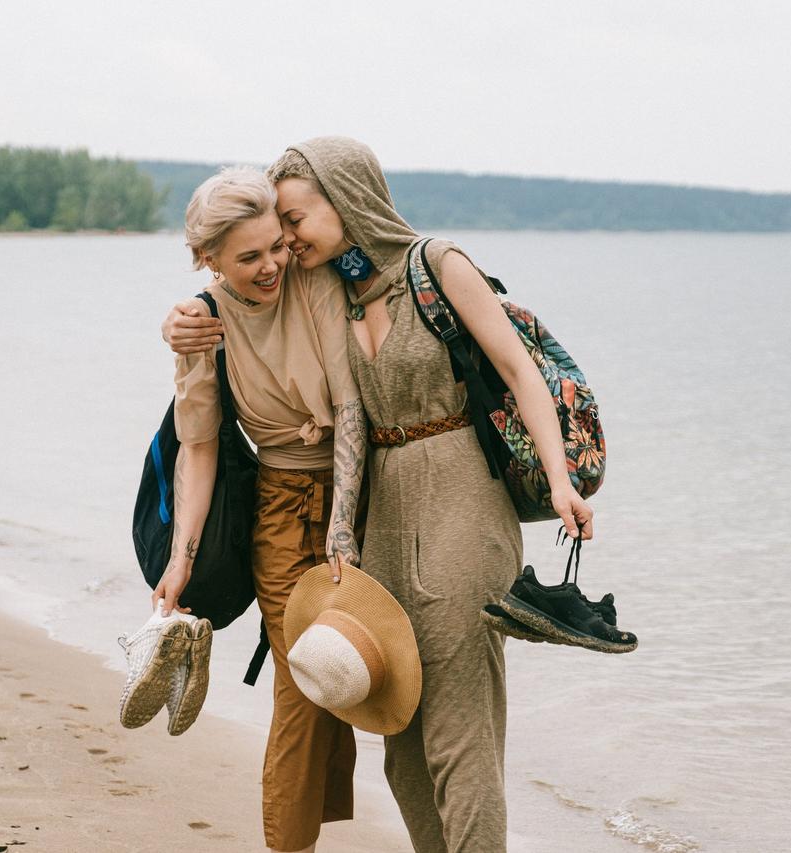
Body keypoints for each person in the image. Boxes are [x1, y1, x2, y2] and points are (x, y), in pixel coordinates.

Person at [165, 139, 594, 853]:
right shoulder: (335, 284)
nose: (287, 243)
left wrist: (559, 479)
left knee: (461, 730)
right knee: (400, 735)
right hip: (381, 509)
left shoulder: (436, 265)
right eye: (277, 232)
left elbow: (519, 371)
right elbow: (221, 385)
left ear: (346, 200)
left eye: (293, 223)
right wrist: (180, 324)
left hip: (460, 493)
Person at [155, 166, 368, 853]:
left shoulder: (316, 279)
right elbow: (199, 444)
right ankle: (290, 844)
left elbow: (350, 407)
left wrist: (345, 531)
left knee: (372, 676)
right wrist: (179, 558)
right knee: (305, 680)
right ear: (206, 259)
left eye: (276, 244)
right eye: (249, 257)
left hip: (365, 497)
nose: (273, 263)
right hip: (280, 511)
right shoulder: (202, 323)